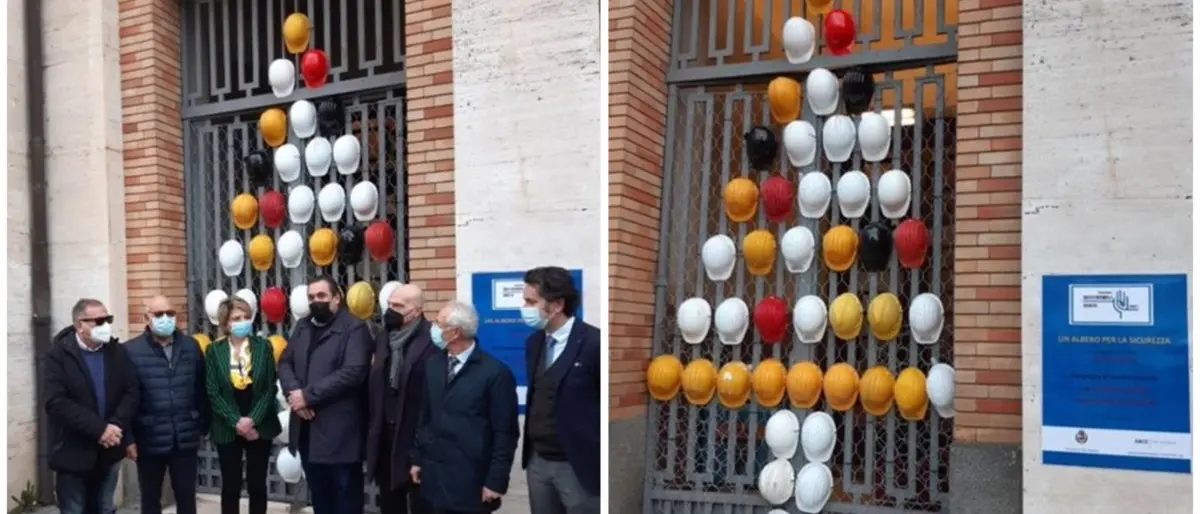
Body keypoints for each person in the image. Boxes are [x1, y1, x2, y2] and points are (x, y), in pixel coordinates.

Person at [410, 300, 519, 514]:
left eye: (439, 323)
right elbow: (424, 416)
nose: (434, 327)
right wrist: (417, 459)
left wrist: (495, 481)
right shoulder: (433, 365)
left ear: (455, 331)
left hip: (471, 480)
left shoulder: (494, 373)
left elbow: (505, 433)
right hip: (434, 476)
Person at [278, 275, 373, 514]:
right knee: (321, 500)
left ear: (336, 299)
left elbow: (353, 372)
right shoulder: (303, 326)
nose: (315, 301)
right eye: (311, 297)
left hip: (340, 433)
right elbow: (285, 363)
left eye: (321, 296)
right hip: (307, 430)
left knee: (345, 500)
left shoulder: (354, 328)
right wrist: (295, 395)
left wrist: (308, 396)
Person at [43, 298, 140, 514]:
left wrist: (115, 424)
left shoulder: (116, 352)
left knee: (105, 507)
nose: (105, 325)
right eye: (98, 321)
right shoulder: (58, 355)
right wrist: (100, 429)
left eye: (108, 319)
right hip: (73, 452)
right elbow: (56, 402)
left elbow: (131, 391)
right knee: (74, 509)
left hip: (109, 449)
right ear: (80, 325)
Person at [520, 266, 601, 514]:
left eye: (531, 301)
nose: (524, 308)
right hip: (538, 461)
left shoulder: (593, 343)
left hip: (576, 464)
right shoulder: (534, 343)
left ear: (556, 305)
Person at [124, 295, 209, 514]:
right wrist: (129, 438)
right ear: (147, 317)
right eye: (158, 314)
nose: (165, 319)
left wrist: (202, 424)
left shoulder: (191, 347)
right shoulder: (130, 351)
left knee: (186, 496)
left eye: (170, 314)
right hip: (149, 436)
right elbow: (124, 398)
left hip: (184, 435)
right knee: (151, 498)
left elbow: (201, 388)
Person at [204, 297, 282, 514]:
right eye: (236, 318)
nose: (243, 322)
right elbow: (212, 390)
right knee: (231, 485)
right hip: (227, 424)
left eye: (246, 317)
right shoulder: (214, 350)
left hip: (259, 423)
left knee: (257, 484)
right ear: (226, 323)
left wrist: (252, 420)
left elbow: (269, 388)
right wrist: (236, 421)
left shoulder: (263, 347)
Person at [367, 284, 437, 514]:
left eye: (398, 306)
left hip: (415, 434)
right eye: (390, 304)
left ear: (416, 311)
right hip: (386, 434)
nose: (391, 310)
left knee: (420, 502)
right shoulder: (383, 337)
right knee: (389, 501)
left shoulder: (432, 340)